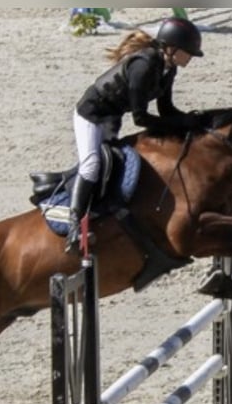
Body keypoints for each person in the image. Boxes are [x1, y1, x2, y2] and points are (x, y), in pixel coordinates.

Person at [66, 17, 204, 253]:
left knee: (115, 162)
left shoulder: (167, 69)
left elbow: (166, 110)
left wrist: (191, 121)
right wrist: (177, 124)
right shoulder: (144, 66)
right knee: (92, 165)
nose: (190, 57)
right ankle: (74, 226)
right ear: (171, 48)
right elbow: (140, 118)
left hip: (111, 116)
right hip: (91, 114)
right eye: (188, 52)